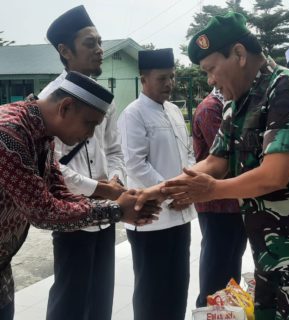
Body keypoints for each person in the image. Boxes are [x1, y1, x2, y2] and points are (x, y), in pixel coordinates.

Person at [135, 12, 289, 320]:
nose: (209, 79)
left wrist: (212, 190)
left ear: (239, 54)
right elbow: (216, 160)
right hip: (271, 257)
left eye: (212, 69)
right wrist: (159, 191)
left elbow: (274, 174)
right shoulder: (237, 103)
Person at [0, 71, 158, 320]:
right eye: (89, 124)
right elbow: (44, 212)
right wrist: (116, 210)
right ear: (66, 107)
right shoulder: (8, 133)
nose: (90, 135)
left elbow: (57, 192)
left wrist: (117, 203)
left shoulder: (41, 132)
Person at [37, 6, 126, 320]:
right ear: (65, 51)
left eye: (100, 42)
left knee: (101, 301)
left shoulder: (106, 98)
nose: (100, 50)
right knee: (70, 303)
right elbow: (52, 167)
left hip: (105, 215)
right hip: (72, 217)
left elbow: (115, 149)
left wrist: (114, 180)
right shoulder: (50, 101)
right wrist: (99, 189)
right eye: (90, 44)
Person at [117, 48, 196, 320]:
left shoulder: (174, 111)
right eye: (162, 78)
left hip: (181, 212)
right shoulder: (133, 114)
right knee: (152, 289)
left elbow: (188, 153)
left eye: (172, 77)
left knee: (178, 284)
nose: (169, 84)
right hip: (151, 217)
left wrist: (189, 187)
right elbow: (136, 164)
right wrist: (172, 191)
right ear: (144, 80)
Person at [192, 88, 247, 307]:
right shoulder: (210, 109)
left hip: (236, 200)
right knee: (215, 275)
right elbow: (230, 155)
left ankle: (227, 312)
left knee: (231, 273)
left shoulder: (234, 104)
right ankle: (208, 312)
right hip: (216, 205)